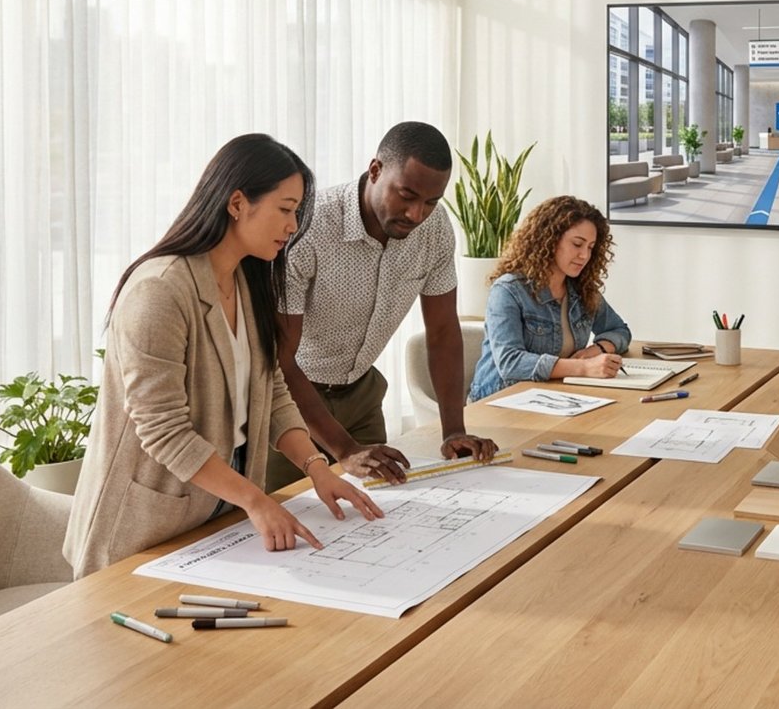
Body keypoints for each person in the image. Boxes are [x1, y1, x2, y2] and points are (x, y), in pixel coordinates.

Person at [65, 134, 382, 579]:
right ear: (237, 203)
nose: (293, 227)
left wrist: (318, 468)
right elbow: (164, 431)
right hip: (142, 529)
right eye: (286, 209)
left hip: (216, 511)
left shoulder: (246, 282)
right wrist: (257, 499)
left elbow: (271, 390)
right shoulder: (159, 291)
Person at [269, 122, 498, 488]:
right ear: (375, 170)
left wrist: (453, 431)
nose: (416, 214)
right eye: (406, 195)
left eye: (430, 201)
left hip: (362, 396)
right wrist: (344, 449)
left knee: (378, 515)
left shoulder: (435, 229)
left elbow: (442, 332)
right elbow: (281, 358)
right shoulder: (309, 226)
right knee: (286, 521)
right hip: (291, 403)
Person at [467, 195, 631, 401]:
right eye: (577, 244)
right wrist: (582, 367)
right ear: (550, 240)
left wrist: (596, 349)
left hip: (555, 396)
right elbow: (511, 362)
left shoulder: (582, 290)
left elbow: (619, 330)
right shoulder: (508, 290)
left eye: (590, 247)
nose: (584, 256)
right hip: (499, 400)